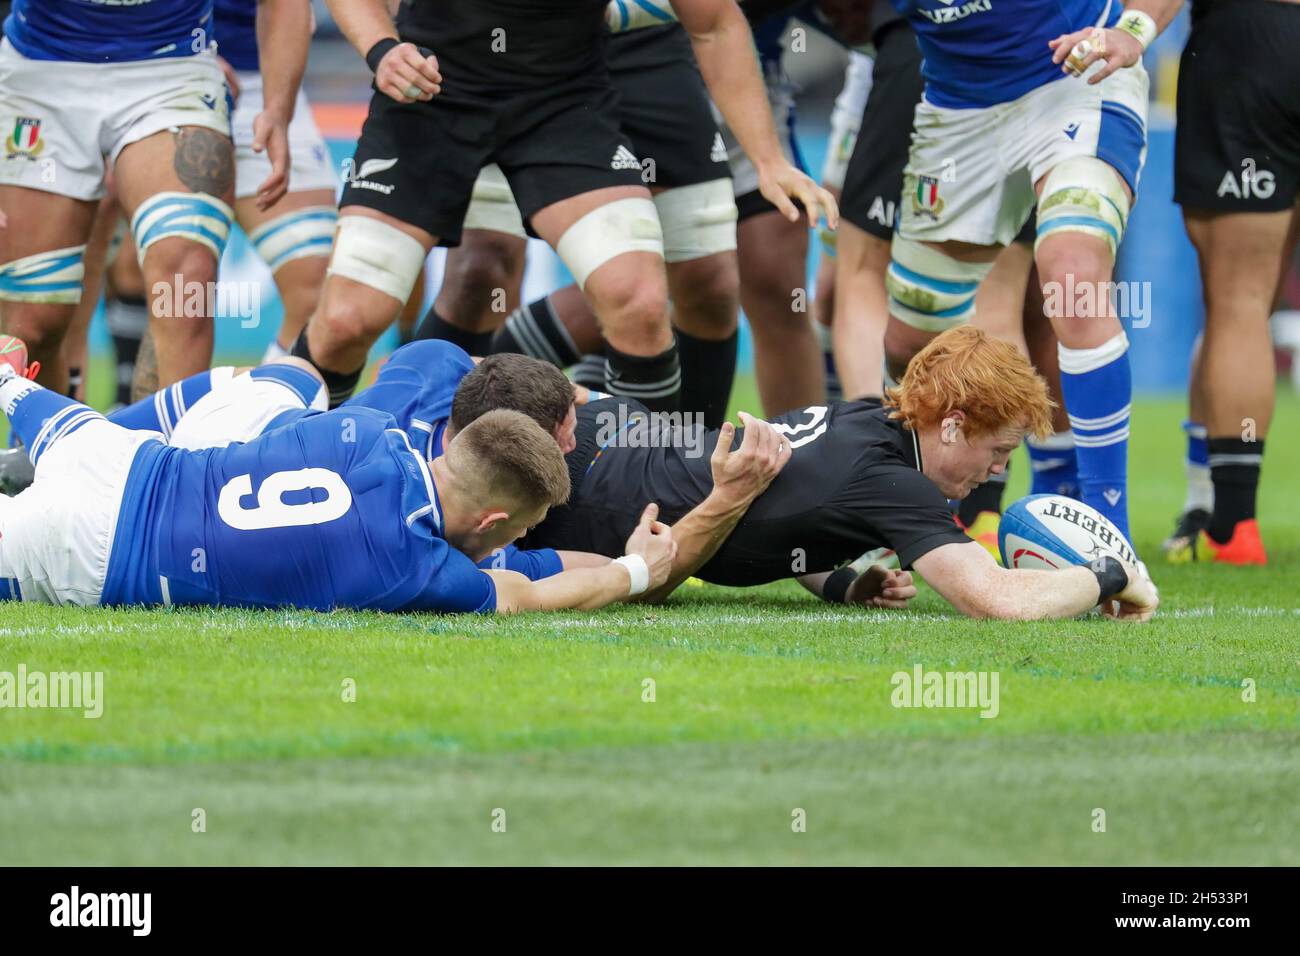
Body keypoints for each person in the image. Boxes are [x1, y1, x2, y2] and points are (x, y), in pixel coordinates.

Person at [290, 0, 834, 409]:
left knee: (641, 299)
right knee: (347, 322)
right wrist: (382, 48)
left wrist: (767, 161)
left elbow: (714, 22)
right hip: (434, 95)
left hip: (562, 103)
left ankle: (644, 510)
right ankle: (304, 467)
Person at [0, 335, 683, 614]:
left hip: (121, 454)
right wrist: (640, 571)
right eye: (524, 528)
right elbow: (527, 594)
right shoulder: (415, 570)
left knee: (294, 379)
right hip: (91, 551)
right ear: (492, 522)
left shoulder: (365, 431)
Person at [522, 326, 1159, 621]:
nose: (999, 469)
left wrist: (838, 582)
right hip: (574, 489)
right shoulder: (895, 482)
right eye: (1000, 450)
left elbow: (789, 505)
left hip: (613, 434)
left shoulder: (873, 418)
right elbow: (998, 601)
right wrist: (1109, 573)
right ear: (955, 423)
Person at [874, 0, 1184, 542]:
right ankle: (909, 515)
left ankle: (1111, 536)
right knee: (911, 339)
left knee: (1072, 279)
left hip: (1079, 78)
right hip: (958, 109)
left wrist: (1134, 29)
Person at [0, 0, 307, 392]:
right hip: (39, 73)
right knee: (34, 325)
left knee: (186, 281)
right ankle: (49, 448)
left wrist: (278, 109)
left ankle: (172, 447)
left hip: (172, 68)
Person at [1163, 0, 1298, 566]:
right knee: (1246, 304)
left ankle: (1233, 526)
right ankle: (1208, 505)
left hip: (1252, 42)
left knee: (1239, 304)